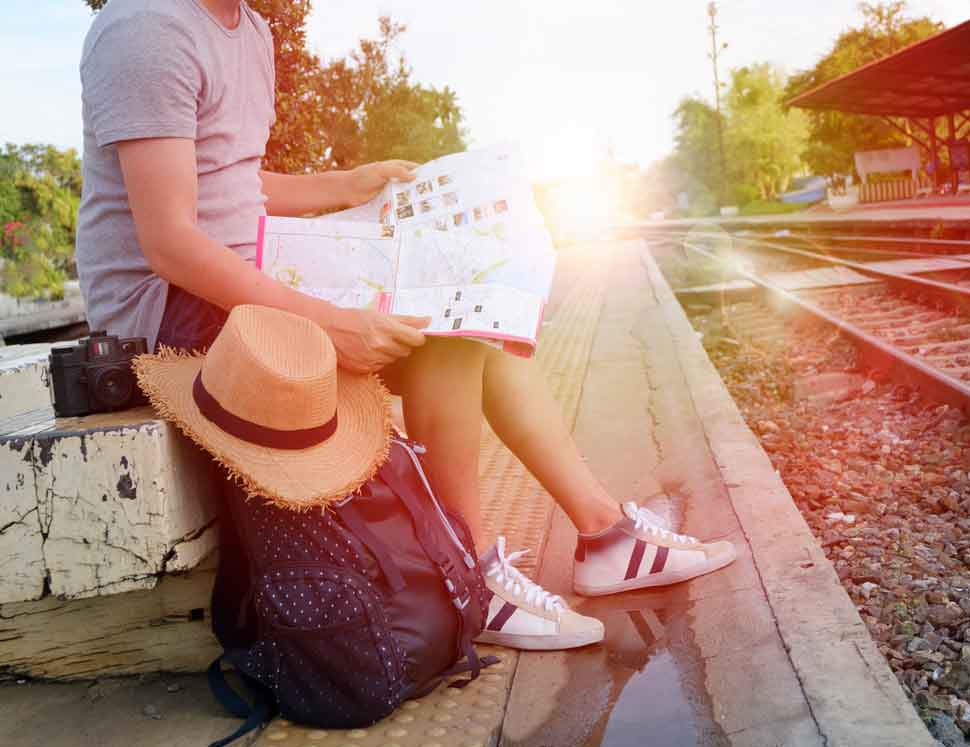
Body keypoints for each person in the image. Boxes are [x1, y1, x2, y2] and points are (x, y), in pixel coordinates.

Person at [77, 0, 735, 652]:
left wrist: (348, 185)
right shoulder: (147, 29)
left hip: (246, 268)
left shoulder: (248, 30)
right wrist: (331, 323)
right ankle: (466, 576)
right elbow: (170, 242)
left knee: (476, 312)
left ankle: (603, 535)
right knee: (440, 334)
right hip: (169, 308)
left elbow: (233, 182)